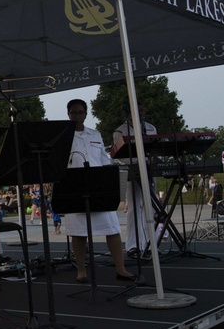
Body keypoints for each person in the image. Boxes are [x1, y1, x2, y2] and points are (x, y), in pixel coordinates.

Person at [63, 99, 134, 282]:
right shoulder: (63, 136)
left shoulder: (95, 134)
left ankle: (121, 268)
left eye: (80, 112)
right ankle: (82, 270)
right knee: (79, 232)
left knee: (112, 228)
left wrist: (109, 179)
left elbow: (104, 160)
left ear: (86, 114)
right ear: (68, 114)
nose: (77, 115)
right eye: (73, 112)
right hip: (75, 186)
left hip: (98, 186)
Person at [112, 108, 157, 258]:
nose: (140, 114)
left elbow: (155, 148)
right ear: (129, 113)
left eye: (142, 111)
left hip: (150, 170)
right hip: (132, 171)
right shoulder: (120, 131)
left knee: (150, 208)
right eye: (136, 111)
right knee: (133, 207)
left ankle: (151, 244)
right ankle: (133, 245)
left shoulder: (151, 128)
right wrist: (138, 163)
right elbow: (120, 155)